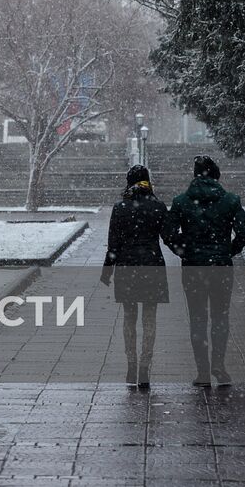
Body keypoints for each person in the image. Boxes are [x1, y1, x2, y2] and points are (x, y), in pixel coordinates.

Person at [164, 155, 245, 386]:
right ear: (216, 175)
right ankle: (219, 367)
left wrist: (184, 250)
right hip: (221, 267)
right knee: (221, 317)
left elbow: (168, 232)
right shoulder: (231, 200)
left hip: (194, 267)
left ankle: (202, 372)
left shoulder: (181, 201)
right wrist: (228, 250)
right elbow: (244, 231)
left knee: (197, 318)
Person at [100, 164, 170, 389]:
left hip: (127, 268)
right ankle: (144, 368)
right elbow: (169, 237)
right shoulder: (158, 206)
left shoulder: (120, 207)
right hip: (152, 266)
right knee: (150, 319)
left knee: (129, 317)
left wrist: (107, 271)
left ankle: (131, 365)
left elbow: (113, 244)